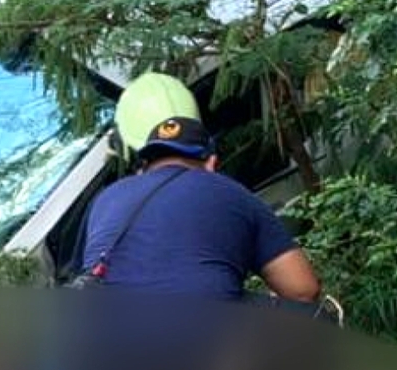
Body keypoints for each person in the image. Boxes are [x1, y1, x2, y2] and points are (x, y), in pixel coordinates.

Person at [77, 72, 322, 306]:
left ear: (143, 162)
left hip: (101, 342)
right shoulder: (229, 193)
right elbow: (303, 290)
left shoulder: (106, 199)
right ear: (211, 163)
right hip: (202, 338)